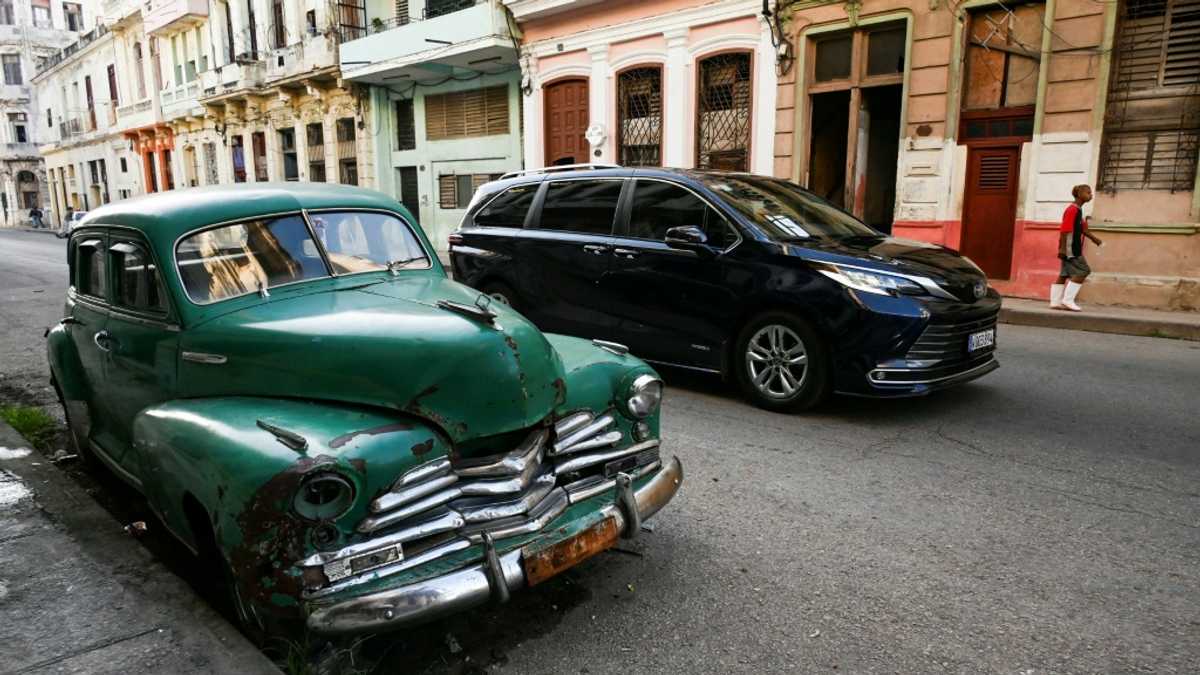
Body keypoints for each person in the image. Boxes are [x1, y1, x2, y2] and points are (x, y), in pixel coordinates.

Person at [1050, 184, 1103, 312]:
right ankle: (1067, 301)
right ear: (1079, 194)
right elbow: (1065, 230)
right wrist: (1063, 249)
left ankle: (1055, 302)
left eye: (1091, 193)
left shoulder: (1079, 210)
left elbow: (1084, 229)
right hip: (1071, 247)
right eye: (1088, 192)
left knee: (1064, 274)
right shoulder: (1072, 210)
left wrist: (1094, 239)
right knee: (1083, 271)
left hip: (1069, 246)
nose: (1091, 195)